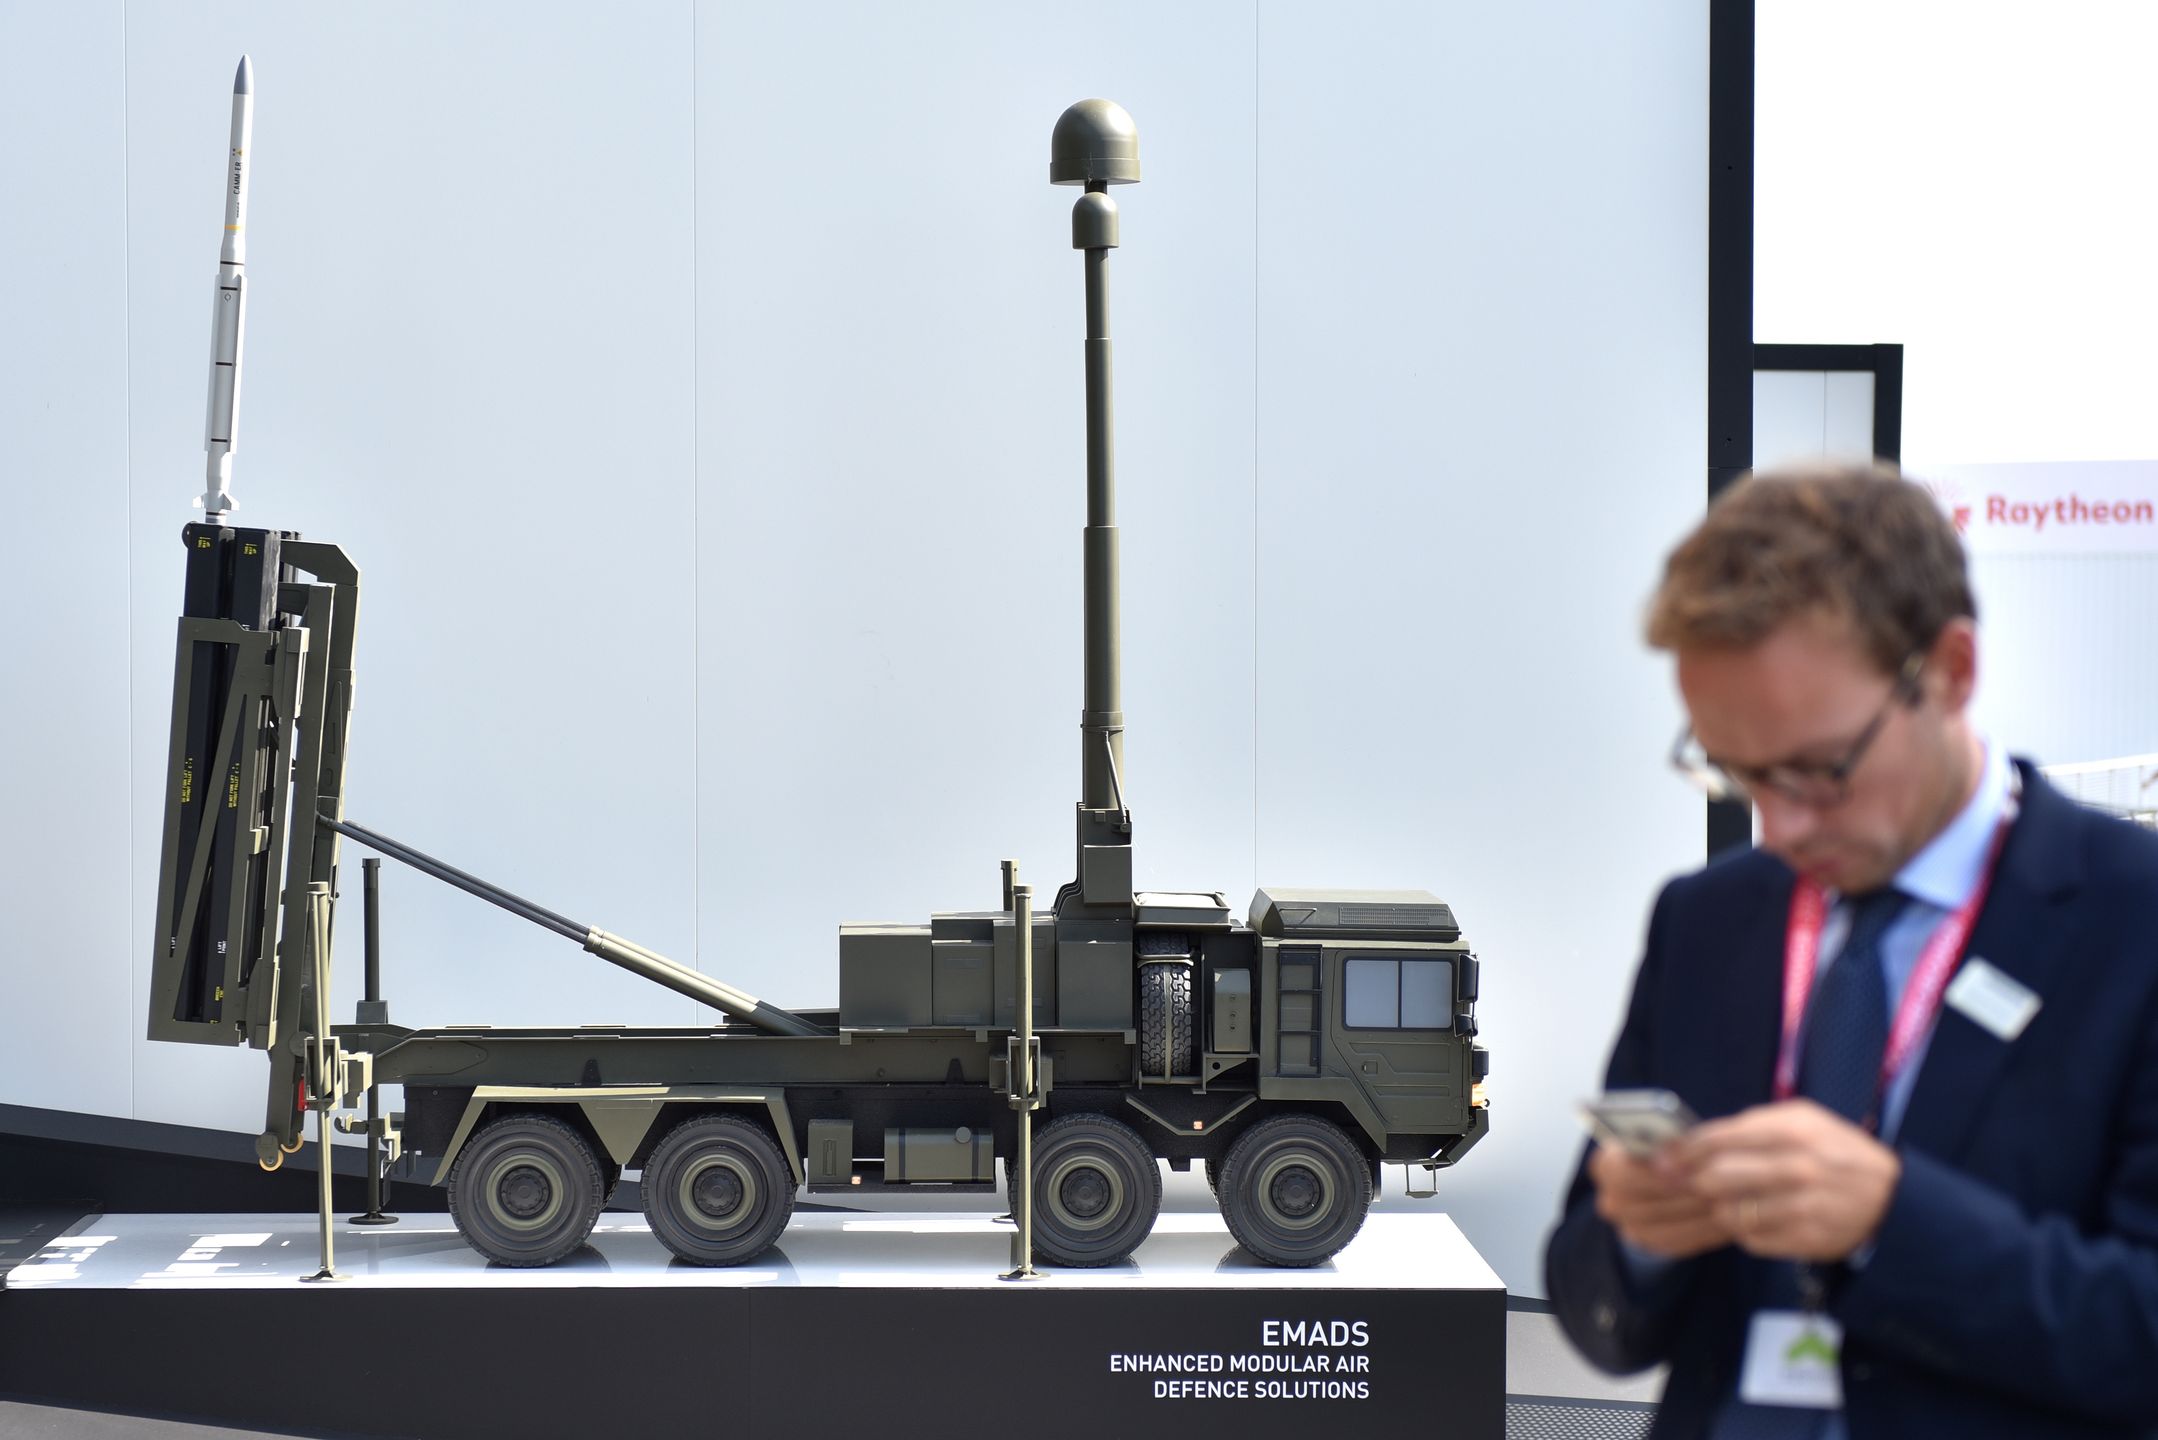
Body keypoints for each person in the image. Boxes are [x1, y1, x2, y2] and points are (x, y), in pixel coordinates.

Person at [1544, 461, 2158, 1438]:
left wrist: (1891, 1222)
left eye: (1819, 770)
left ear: (1951, 671)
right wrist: (1639, 1242)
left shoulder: (2130, 919)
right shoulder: (1707, 921)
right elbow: (1593, 1305)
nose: (1780, 826)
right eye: (1736, 774)